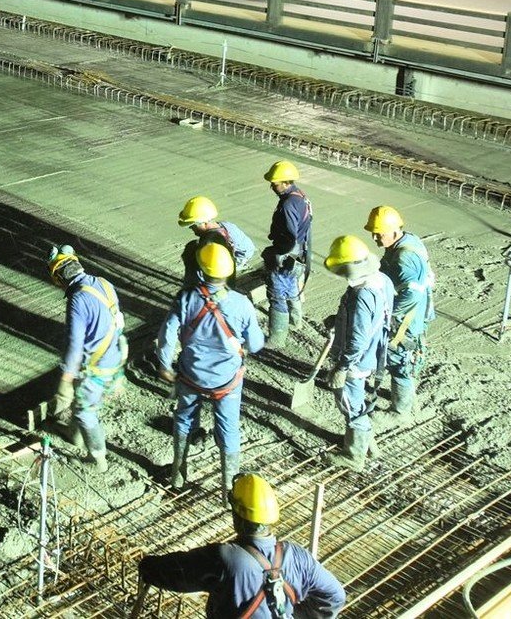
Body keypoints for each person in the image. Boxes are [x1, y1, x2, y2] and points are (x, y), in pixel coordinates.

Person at [138, 472, 346, 619]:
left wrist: (146, 566)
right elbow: (335, 596)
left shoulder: (226, 558)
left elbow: (176, 573)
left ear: (237, 517)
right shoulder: (298, 556)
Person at [157, 242, 265, 499]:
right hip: (226, 381)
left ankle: (178, 476)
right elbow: (256, 344)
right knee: (228, 428)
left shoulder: (185, 298)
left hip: (191, 376)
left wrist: (164, 364)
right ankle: (229, 491)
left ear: (200, 271)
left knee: (184, 419)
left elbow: (167, 334)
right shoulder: (241, 304)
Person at [45, 245, 127, 473]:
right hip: (114, 355)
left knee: (84, 410)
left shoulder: (78, 300)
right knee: (84, 399)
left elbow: (74, 345)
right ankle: (74, 434)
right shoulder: (104, 283)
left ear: (59, 278)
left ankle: (97, 459)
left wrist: (66, 378)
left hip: (96, 366)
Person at [322, 235, 394, 471]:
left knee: (350, 406)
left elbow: (358, 340)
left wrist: (342, 368)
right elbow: (377, 318)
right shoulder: (381, 280)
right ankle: (369, 446)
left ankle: (354, 456)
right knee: (357, 403)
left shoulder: (363, 294)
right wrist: (341, 319)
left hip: (357, 362)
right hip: (373, 353)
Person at [364, 206, 436, 421]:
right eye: (373, 233)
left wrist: (389, 313)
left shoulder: (404, 257)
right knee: (399, 359)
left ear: (394, 231)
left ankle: (400, 412)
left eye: (379, 233)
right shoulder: (407, 240)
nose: (375, 237)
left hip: (407, 319)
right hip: (415, 311)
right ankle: (404, 398)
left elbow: (412, 295)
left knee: (399, 361)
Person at [262, 160, 314, 348]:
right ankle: (295, 321)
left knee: (277, 294)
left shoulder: (287, 204)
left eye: (275, 183)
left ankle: (277, 339)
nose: (272, 186)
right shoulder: (300, 196)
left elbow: (290, 238)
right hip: (299, 254)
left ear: (285, 182)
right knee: (292, 288)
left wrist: (274, 252)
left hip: (287, 255)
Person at [177, 196, 257, 287]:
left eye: (192, 225)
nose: (191, 228)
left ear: (204, 222)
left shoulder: (209, 243)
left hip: (238, 257)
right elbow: (247, 245)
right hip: (245, 250)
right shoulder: (226, 225)